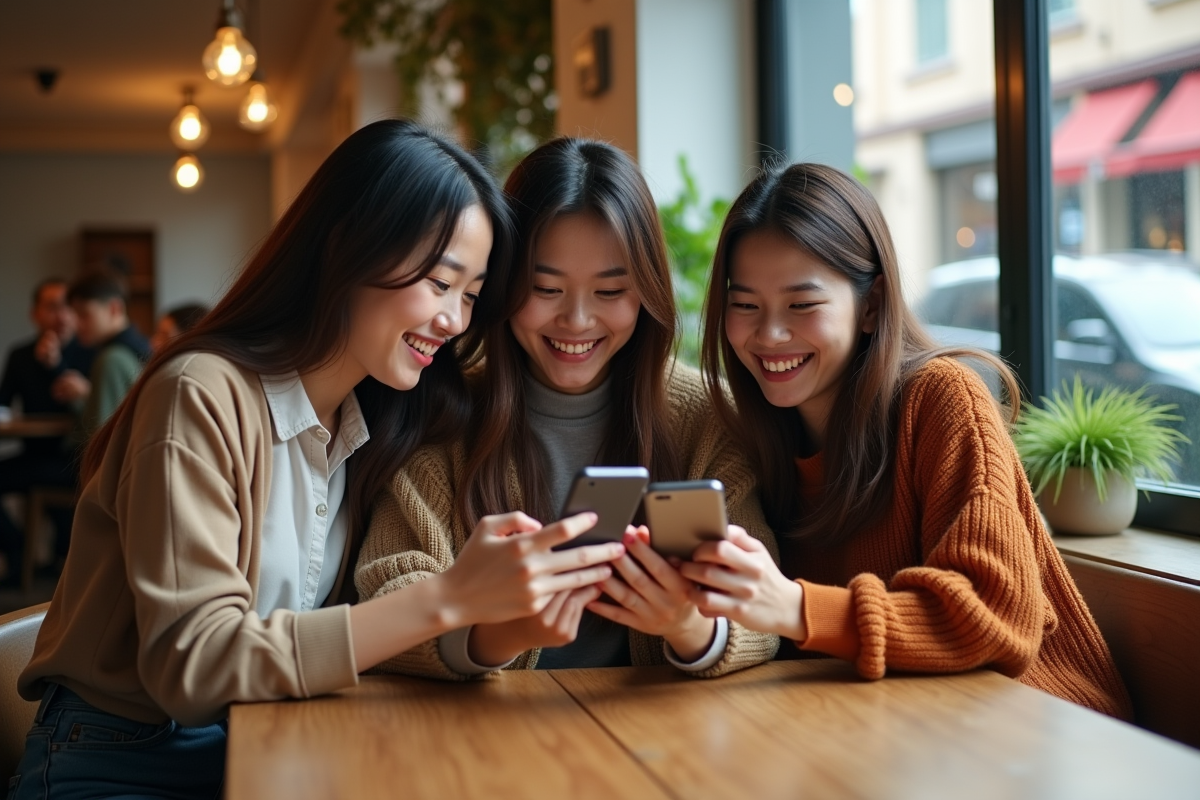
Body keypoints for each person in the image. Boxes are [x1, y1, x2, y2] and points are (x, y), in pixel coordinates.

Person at [11, 120, 627, 800]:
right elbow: (193, 669)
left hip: (269, 738)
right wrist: (449, 599)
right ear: (347, 248)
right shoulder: (200, 394)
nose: (455, 321)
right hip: (119, 760)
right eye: (440, 282)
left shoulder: (374, 420)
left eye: (472, 296)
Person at [679, 162, 1132, 719]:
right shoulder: (761, 435)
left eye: (802, 304)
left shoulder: (942, 399)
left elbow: (996, 617)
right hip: (894, 731)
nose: (769, 334)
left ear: (870, 307)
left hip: (1042, 726)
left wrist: (795, 606)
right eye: (745, 305)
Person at [356, 137, 779, 679]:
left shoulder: (705, 417)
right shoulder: (443, 409)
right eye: (546, 288)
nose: (577, 321)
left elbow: (761, 599)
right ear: (502, 286)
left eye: (609, 292)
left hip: (656, 739)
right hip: (479, 736)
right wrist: (497, 634)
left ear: (647, 291)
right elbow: (387, 586)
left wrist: (688, 627)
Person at [0, 278, 95, 582]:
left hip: (74, 459)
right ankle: (16, 550)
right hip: (33, 454)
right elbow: (3, 403)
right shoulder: (20, 354)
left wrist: (55, 365)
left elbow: (89, 411)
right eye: (52, 307)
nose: (62, 315)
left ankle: (45, 563)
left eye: (68, 307)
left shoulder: (89, 352)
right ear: (35, 314)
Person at [52, 272, 152, 443]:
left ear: (114, 308)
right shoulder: (139, 347)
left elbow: (98, 440)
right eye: (74, 315)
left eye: (84, 314)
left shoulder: (111, 359)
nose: (76, 324)